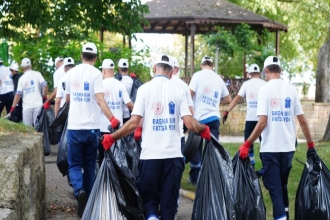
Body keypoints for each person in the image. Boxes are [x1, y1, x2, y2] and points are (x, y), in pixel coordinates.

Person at [100, 54, 211, 220]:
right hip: (172, 158)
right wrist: (203, 129)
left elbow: (133, 123)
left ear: (154, 69)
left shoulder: (144, 89)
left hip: (150, 157)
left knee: (150, 202)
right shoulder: (179, 90)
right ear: (172, 72)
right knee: (169, 206)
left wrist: (112, 137)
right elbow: (189, 123)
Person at [238, 56, 317, 220]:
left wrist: (247, 144)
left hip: (271, 149)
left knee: (275, 193)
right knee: (282, 186)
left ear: (266, 71)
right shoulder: (291, 89)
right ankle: (285, 216)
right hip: (288, 149)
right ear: (280, 71)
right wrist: (310, 145)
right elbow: (302, 120)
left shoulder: (264, 90)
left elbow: (262, 123)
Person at [64, 42, 120, 218]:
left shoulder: (70, 73)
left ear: (81, 56)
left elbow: (67, 100)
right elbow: (100, 101)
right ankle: (88, 202)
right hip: (92, 129)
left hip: (74, 127)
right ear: (95, 59)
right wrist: (113, 119)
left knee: (73, 164)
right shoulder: (97, 74)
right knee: (89, 165)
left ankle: (79, 190)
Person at [188, 56, 231, 185]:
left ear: (202, 65)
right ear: (212, 66)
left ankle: (195, 178)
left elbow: (189, 93)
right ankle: (211, 178)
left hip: (199, 119)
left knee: (196, 148)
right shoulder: (218, 79)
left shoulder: (197, 75)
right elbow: (228, 99)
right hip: (214, 118)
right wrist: (217, 101)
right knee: (212, 148)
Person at [223, 64, 266, 166]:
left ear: (249, 74)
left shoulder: (246, 84)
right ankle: (266, 165)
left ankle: (250, 166)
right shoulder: (265, 84)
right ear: (259, 73)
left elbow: (237, 99)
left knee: (248, 145)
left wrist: (227, 111)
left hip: (250, 119)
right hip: (263, 119)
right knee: (264, 144)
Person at [99, 58, 133, 165]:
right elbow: (129, 104)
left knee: (103, 161)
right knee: (117, 161)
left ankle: (104, 181)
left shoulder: (100, 84)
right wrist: (140, 116)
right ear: (113, 70)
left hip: (103, 129)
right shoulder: (120, 85)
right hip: (118, 130)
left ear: (104, 71)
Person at [10, 58, 48, 126]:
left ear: (22, 68)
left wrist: (13, 107)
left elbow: (18, 95)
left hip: (27, 108)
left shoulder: (21, 79)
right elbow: (44, 85)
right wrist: (44, 96)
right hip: (38, 105)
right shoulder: (37, 74)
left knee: (28, 131)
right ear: (30, 66)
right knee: (38, 128)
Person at [115, 58, 136, 123]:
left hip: (117, 113)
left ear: (119, 69)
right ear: (128, 69)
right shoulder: (133, 81)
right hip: (129, 113)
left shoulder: (116, 81)